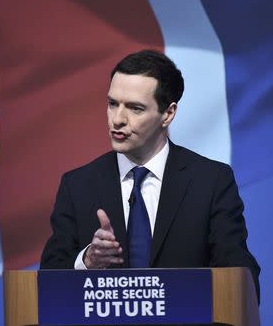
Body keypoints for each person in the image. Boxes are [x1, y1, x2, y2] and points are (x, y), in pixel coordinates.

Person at [40, 49, 260, 301]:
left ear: (168, 114)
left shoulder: (210, 181)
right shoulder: (78, 185)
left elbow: (241, 274)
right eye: (112, 104)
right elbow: (48, 279)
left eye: (135, 108)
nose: (118, 119)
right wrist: (88, 260)